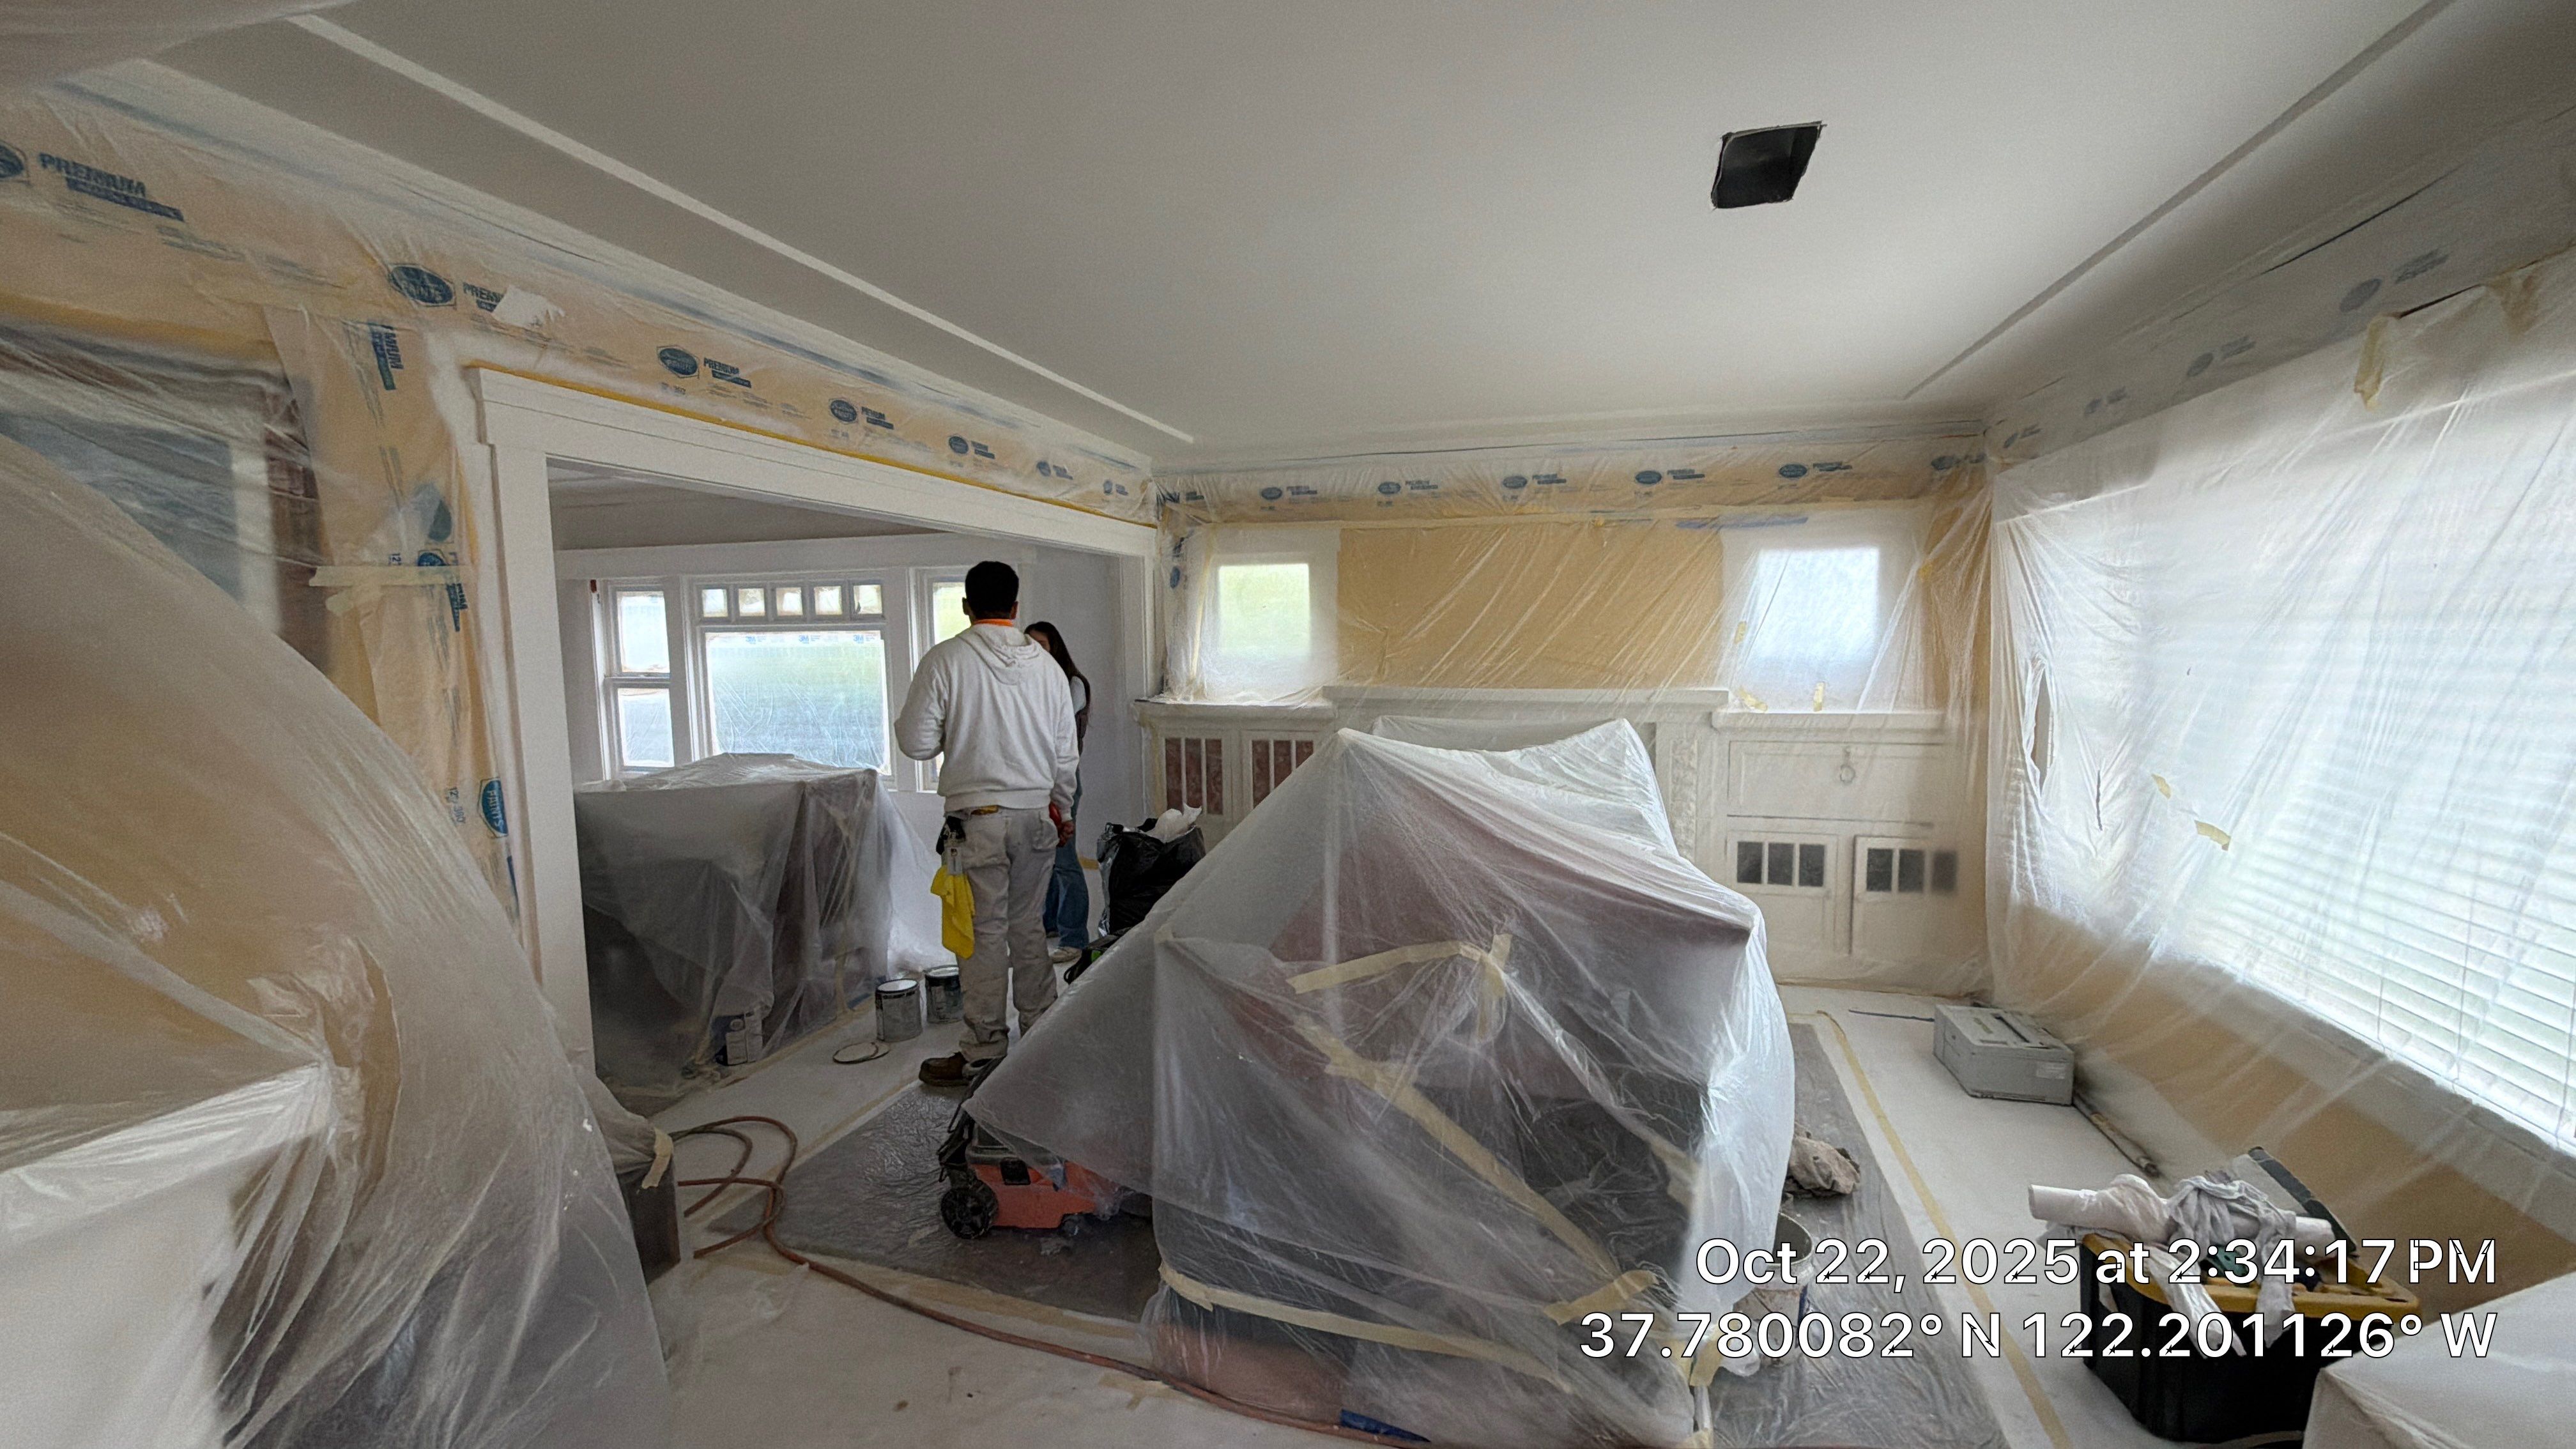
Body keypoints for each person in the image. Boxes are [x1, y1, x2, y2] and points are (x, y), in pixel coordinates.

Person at [894, 561, 1079, 1085]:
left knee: (981, 936)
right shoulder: (1045, 667)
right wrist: (1063, 810)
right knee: (1029, 930)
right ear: (1016, 609)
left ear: (966, 606)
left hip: (976, 821)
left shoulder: (946, 659)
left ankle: (983, 1051)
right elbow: (1066, 754)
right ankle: (1040, 1040)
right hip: (1035, 816)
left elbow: (916, 742)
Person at [1023, 620, 1092, 962]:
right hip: (1034, 777)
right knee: (1044, 859)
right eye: (1029, 644)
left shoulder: (1073, 684)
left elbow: (1056, 725)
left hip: (1062, 777)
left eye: (1042, 644)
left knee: (1065, 862)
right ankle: (1049, 925)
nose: (1035, 650)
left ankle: (1075, 937)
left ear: (1055, 648)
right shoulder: (1027, 683)